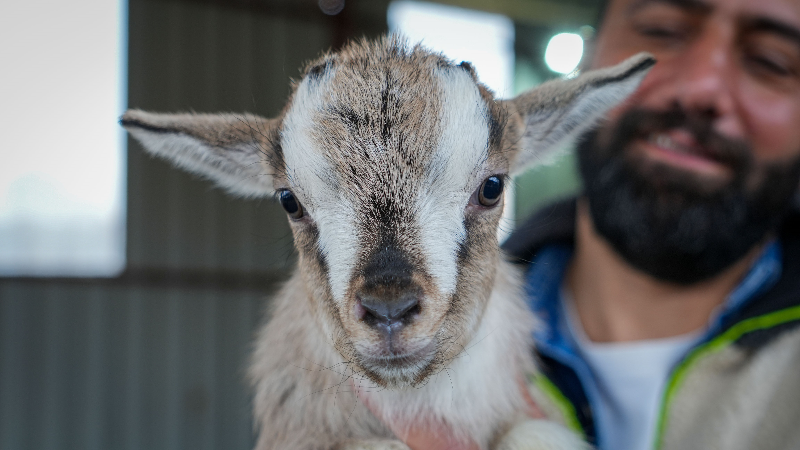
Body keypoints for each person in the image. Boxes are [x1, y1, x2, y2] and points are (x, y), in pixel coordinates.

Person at [383, 0, 800, 448]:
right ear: (589, 59)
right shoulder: (386, 352)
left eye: (771, 61)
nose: (701, 87)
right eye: (661, 29)